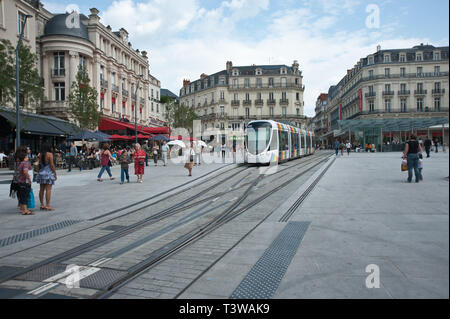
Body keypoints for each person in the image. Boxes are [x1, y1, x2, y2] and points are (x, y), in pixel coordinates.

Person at [36, 143, 57, 211]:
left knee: (41, 189)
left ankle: (42, 204)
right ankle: (47, 205)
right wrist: (55, 173)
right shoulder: (49, 154)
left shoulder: (40, 154)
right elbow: (52, 165)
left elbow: (38, 163)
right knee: (48, 189)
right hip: (48, 173)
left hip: (41, 173)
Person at [15, 148, 33, 215]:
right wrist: (29, 179)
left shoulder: (20, 163)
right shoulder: (25, 163)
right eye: (26, 156)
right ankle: (25, 210)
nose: (27, 157)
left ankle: (23, 209)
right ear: (24, 157)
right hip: (24, 182)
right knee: (25, 196)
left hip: (20, 182)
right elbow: (25, 172)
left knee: (22, 196)